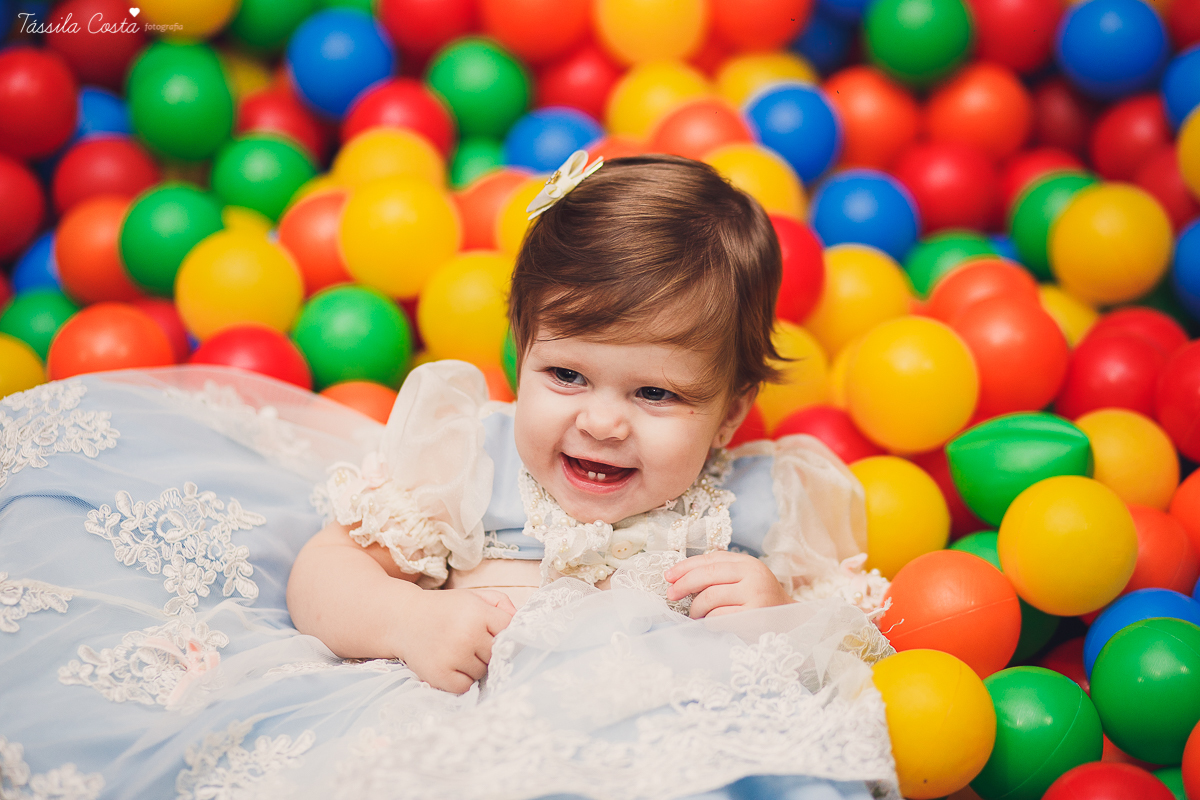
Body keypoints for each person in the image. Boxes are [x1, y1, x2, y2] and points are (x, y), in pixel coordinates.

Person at [0, 152, 897, 800]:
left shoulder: (757, 501)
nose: (602, 419)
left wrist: (776, 607)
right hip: (450, 729)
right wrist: (408, 618)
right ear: (522, 353)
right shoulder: (471, 460)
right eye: (567, 374)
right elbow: (323, 571)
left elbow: (854, 659)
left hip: (662, 747)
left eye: (657, 393)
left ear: (730, 414)